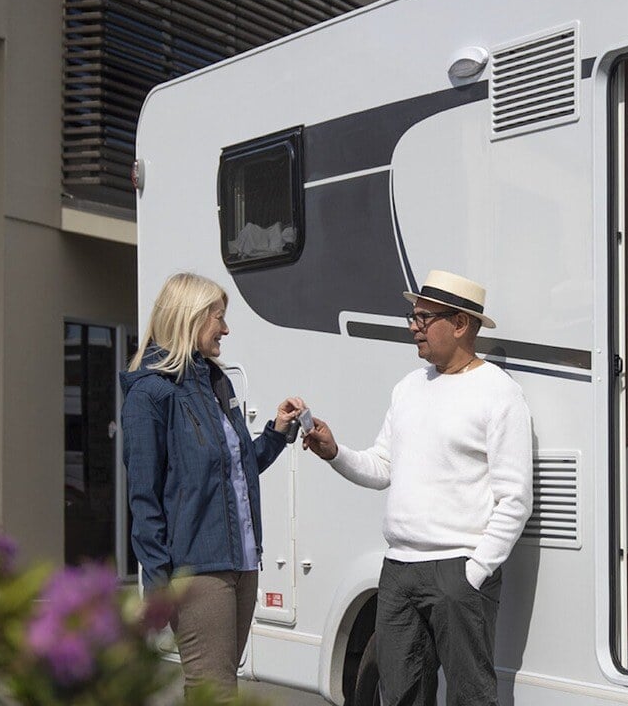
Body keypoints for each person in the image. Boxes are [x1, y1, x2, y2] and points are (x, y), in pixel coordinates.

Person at [303, 270, 533, 706]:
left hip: (457, 571)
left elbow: (515, 498)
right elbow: (382, 466)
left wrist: (475, 571)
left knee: (470, 697)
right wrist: (335, 452)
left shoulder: (500, 394)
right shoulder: (407, 389)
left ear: (461, 324)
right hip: (398, 571)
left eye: (424, 318)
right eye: (413, 316)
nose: (413, 327)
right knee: (400, 695)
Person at [120, 272, 302, 697]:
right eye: (217, 317)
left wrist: (276, 433)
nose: (225, 328)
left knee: (222, 689)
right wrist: (159, 584)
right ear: (189, 318)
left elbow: (236, 469)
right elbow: (144, 501)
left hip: (241, 564)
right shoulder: (149, 395)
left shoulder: (217, 382)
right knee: (213, 692)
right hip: (197, 571)